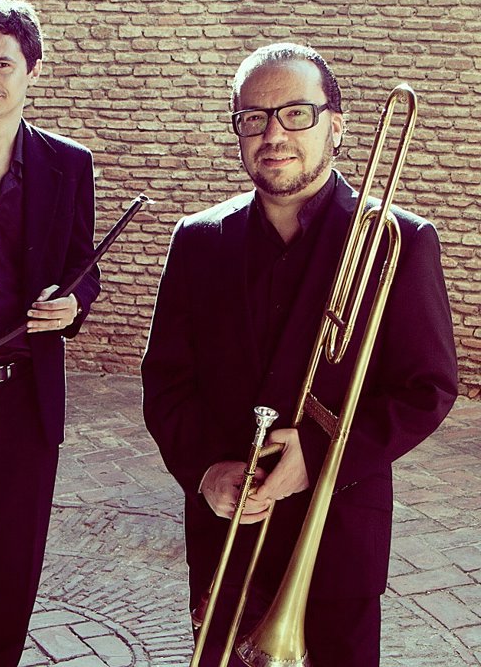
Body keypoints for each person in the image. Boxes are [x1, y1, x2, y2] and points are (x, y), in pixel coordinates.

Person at [141, 43, 457, 666]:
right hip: (227, 535)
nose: (273, 134)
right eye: (253, 118)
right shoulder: (198, 241)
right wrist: (205, 471)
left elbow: (427, 388)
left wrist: (315, 455)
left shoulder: (399, 239)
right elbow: (167, 381)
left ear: (336, 125)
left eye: (295, 113)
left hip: (337, 530)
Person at [0, 0, 100, 667]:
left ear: (32, 70)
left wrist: (71, 306)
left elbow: (82, 267)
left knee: (14, 563)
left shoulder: (70, 163)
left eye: (3, 65)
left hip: (27, 399)